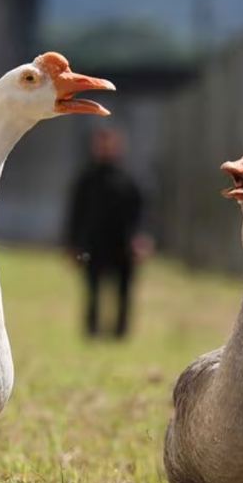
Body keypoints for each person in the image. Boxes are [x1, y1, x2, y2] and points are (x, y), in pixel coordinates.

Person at [65, 127, 147, 339]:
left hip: (123, 245)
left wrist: (140, 240)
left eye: (109, 143)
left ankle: (120, 333)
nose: (105, 148)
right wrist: (72, 244)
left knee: (123, 292)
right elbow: (75, 213)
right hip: (94, 246)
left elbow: (141, 214)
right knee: (93, 291)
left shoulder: (130, 180)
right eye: (101, 143)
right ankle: (92, 331)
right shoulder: (85, 180)